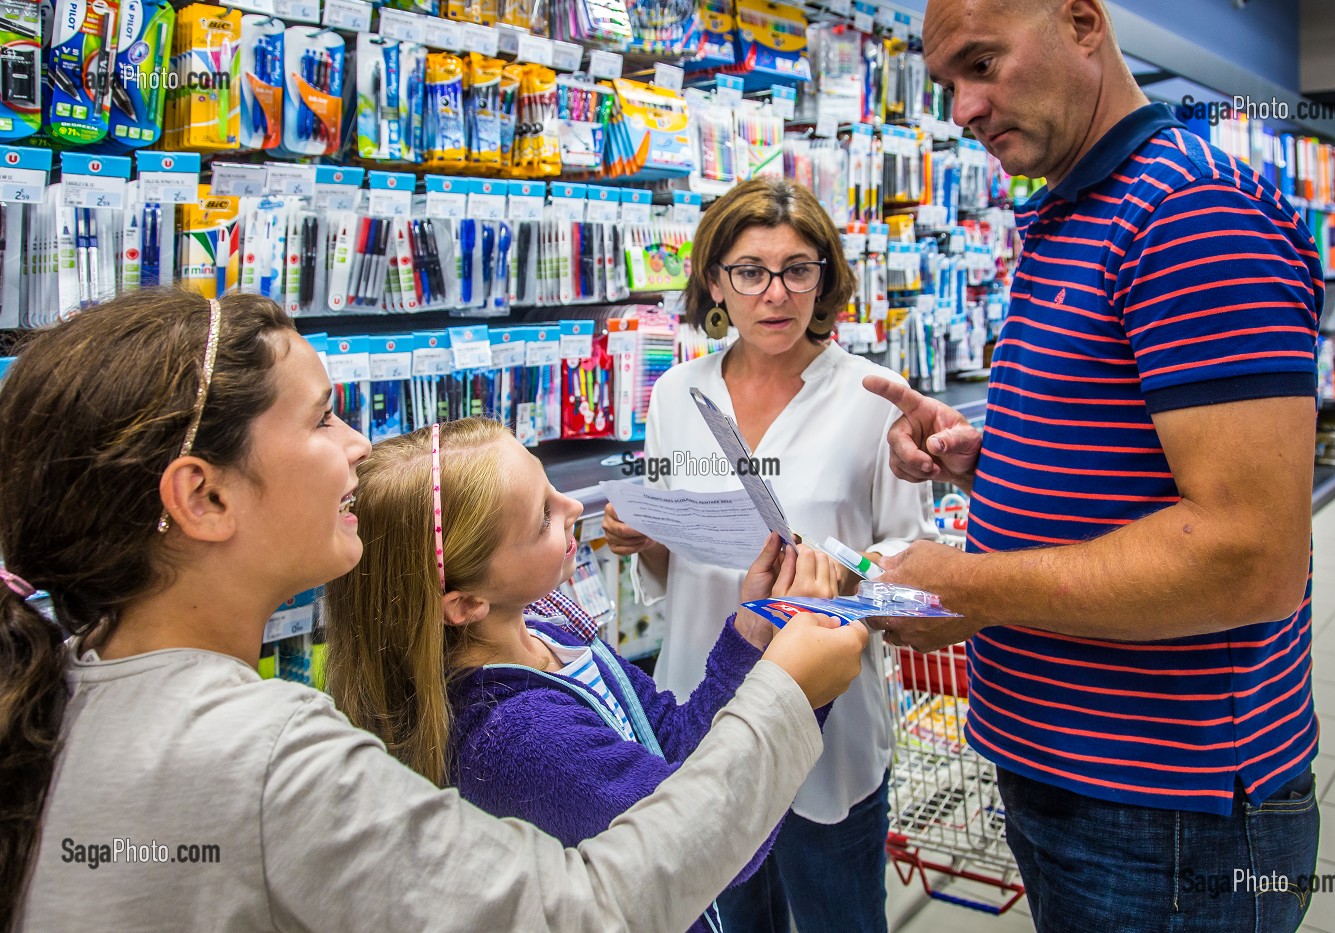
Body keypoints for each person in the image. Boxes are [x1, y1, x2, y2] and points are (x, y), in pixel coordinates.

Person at [0, 288, 869, 931]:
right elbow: (591, 907)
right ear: (204, 497)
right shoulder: (267, 756)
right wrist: (786, 692)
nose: (358, 447)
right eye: (325, 418)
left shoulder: (83, 690)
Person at [860, 1, 1323, 930]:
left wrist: (974, 587)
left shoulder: (1193, 213)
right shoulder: (1073, 213)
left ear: (1081, 22)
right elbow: (1143, 456)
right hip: (1075, 780)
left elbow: (1252, 553)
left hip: (1166, 812)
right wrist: (990, 458)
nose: (961, 107)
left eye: (982, 62)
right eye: (947, 82)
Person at [324, 417, 846, 933]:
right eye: (543, 519)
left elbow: (676, 746)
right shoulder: (520, 741)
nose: (573, 507)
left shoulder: (551, 636)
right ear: (467, 603)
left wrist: (755, 631)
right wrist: (795, 690)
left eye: (552, 486)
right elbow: (708, 848)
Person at [603, 178, 939, 933]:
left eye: (797, 268)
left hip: (829, 721)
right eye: (749, 271)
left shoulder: (872, 393)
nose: (775, 292)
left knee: (840, 916)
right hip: (704, 709)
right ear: (715, 282)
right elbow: (673, 575)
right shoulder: (675, 395)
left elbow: (908, 555)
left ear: (824, 276)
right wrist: (647, 541)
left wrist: (850, 571)